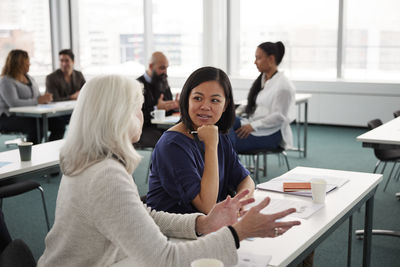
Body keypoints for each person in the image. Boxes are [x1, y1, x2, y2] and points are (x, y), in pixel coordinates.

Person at [37, 75, 300, 267]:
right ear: (119, 116)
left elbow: (142, 216)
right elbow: (165, 260)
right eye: (138, 109)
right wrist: (239, 233)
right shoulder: (105, 175)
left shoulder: (96, 161)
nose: (142, 116)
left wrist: (203, 223)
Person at [146, 67, 255, 215]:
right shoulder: (172, 144)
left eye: (215, 100)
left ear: (225, 105)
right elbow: (206, 206)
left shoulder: (219, 135)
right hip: (176, 232)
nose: (205, 106)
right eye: (197, 98)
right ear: (186, 100)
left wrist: (240, 201)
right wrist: (211, 146)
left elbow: (246, 180)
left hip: (208, 227)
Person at [229, 41, 296, 153]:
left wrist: (253, 125)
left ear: (271, 59)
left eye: (258, 58)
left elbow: (279, 117)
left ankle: (227, 167)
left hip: (271, 133)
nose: (255, 62)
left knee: (224, 140)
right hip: (254, 125)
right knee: (225, 120)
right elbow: (257, 106)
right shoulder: (264, 80)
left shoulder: (283, 86)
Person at [0, 49, 56, 144]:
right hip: (7, 117)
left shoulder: (29, 78)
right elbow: (13, 103)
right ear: (19, 64)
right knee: (36, 127)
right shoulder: (6, 81)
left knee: (58, 124)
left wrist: (44, 99)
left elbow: (37, 96)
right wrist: (38, 101)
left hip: (30, 115)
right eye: (27, 62)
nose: (29, 64)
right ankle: (31, 153)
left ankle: (49, 148)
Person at [136, 51, 179, 147]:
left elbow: (168, 112)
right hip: (145, 129)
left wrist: (175, 107)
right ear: (151, 67)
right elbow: (135, 116)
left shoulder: (163, 82)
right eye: (162, 68)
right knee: (165, 141)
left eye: (166, 68)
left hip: (162, 128)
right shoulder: (137, 85)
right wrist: (156, 109)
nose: (165, 72)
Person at [45, 49, 86, 140]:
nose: (64, 63)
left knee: (87, 119)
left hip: (72, 111)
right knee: (59, 125)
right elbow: (54, 99)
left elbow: (85, 93)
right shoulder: (51, 78)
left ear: (73, 61)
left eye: (66, 60)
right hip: (55, 114)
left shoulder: (79, 75)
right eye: (61, 61)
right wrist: (72, 97)